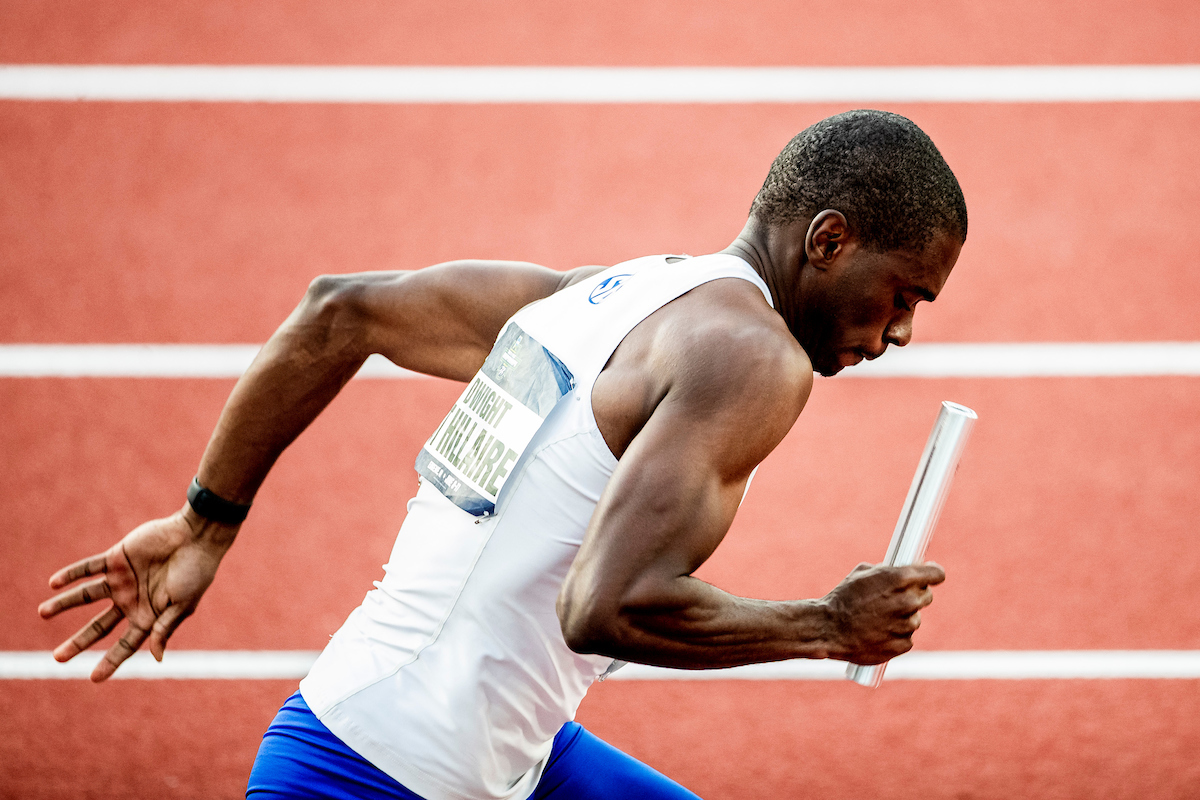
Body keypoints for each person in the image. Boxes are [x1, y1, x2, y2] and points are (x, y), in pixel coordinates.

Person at [39, 109, 967, 799]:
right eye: (904, 295)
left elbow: (339, 312)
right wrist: (825, 625)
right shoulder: (754, 358)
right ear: (829, 240)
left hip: (419, 735)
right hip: (383, 780)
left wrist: (207, 522)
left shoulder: (610, 293)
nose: (903, 333)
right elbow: (605, 609)